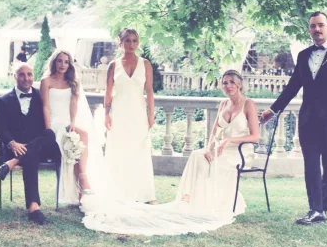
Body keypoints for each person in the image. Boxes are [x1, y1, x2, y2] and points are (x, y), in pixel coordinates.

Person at [79, 70, 260, 236]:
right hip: (222, 148)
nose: (228, 86)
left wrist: (230, 140)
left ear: (239, 85)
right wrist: (210, 147)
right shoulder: (223, 104)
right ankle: (187, 199)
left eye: (231, 83)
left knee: (216, 162)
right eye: (225, 83)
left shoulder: (248, 105)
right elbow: (214, 131)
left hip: (241, 151)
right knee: (198, 155)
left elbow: (255, 136)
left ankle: (216, 202)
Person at [260, 11, 327, 225]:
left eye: (320, 25)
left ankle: (324, 208)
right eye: (312, 26)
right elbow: (292, 88)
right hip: (308, 119)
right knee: (311, 165)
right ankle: (315, 209)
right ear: (309, 29)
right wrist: (273, 109)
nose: (316, 29)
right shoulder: (303, 55)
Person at [0, 62, 61, 225]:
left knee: (49, 134)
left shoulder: (41, 97)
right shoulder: (2, 101)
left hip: (38, 147)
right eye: (22, 74)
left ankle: (11, 164)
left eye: (29, 74)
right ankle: (33, 208)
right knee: (30, 156)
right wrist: (11, 143)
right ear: (14, 76)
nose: (26, 78)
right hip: (13, 149)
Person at [104, 28, 156, 203]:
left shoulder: (146, 64)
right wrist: (106, 114)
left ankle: (145, 194)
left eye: (134, 40)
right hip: (119, 113)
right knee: (119, 151)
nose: (131, 44)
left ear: (138, 42)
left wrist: (151, 114)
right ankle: (117, 192)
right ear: (121, 43)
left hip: (138, 113)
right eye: (127, 41)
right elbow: (108, 92)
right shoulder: (113, 65)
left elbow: (149, 90)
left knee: (139, 151)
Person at [40, 50, 94, 204]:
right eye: (59, 61)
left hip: (67, 122)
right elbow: (45, 107)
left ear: (69, 64)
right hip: (53, 123)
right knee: (71, 141)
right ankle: (81, 186)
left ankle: (82, 178)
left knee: (82, 135)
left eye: (66, 61)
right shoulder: (46, 81)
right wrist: (47, 129)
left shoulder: (73, 82)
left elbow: (73, 104)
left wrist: (72, 122)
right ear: (54, 62)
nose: (62, 65)